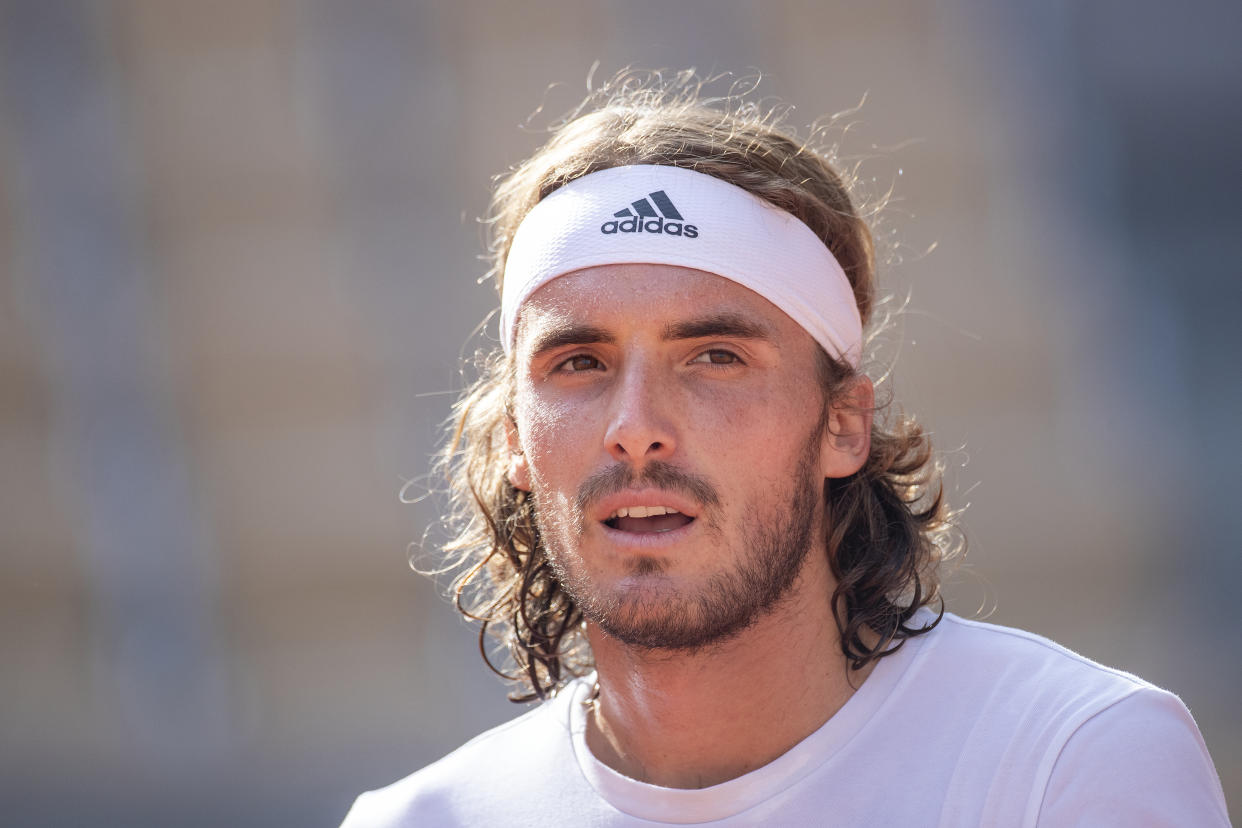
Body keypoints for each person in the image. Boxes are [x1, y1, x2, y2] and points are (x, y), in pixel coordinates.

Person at [341, 74, 1230, 826]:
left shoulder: (1070, 764)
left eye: (715, 358)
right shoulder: (417, 820)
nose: (636, 422)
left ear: (842, 424)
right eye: (580, 362)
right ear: (515, 443)